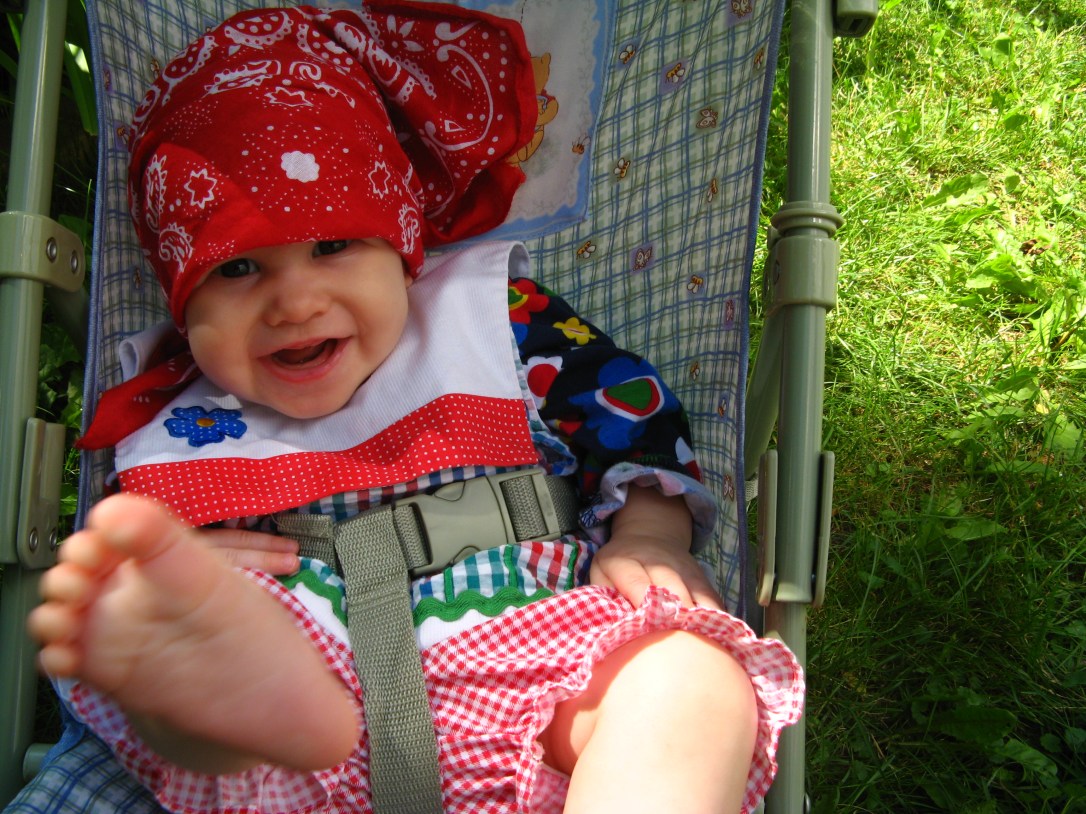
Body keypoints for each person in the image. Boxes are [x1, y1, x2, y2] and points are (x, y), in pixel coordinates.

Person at [25, 4, 803, 814]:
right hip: (279, 694)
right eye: (239, 267)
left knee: (685, 682)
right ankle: (226, 706)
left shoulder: (496, 321)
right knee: (163, 685)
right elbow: (121, 561)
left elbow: (626, 414)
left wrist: (649, 531)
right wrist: (167, 584)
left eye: (333, 246)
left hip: (524, 662)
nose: (294, 301)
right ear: (183, 297)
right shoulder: (169, 411)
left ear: (400, 246)